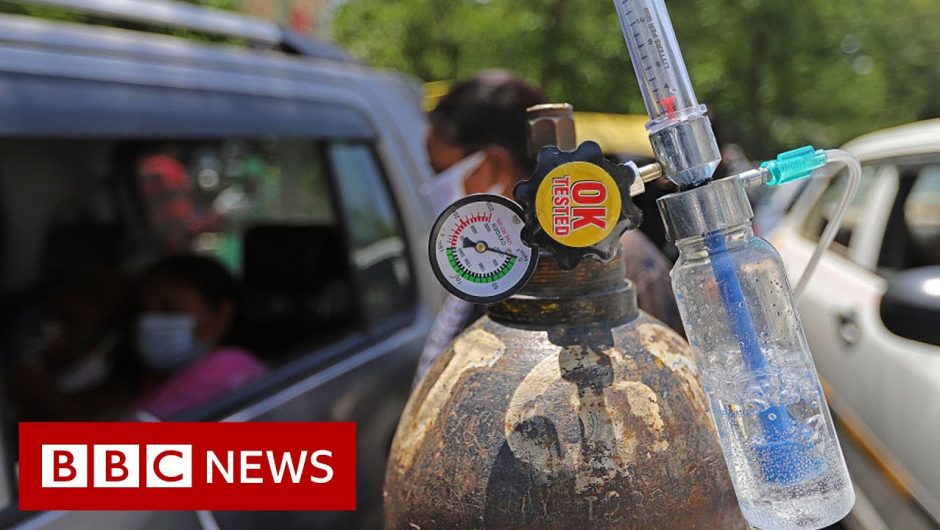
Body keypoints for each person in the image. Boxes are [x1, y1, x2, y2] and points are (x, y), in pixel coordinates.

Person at [415, 70, 684, 385]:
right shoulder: (485, 264)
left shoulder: (630, 264)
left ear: (494, 165)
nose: (433, 188)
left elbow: (676, 388)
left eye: (440, 171)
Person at [133, 254, 265, 419]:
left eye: (169, 309)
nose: (150, 321)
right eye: (143, 309)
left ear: (220, 315)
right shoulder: (153, 380)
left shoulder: (230, 371)